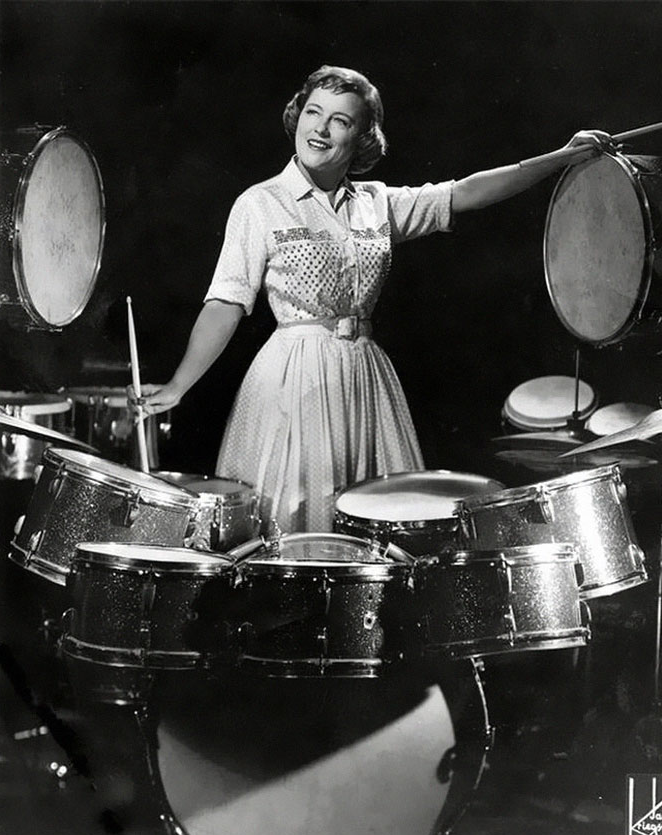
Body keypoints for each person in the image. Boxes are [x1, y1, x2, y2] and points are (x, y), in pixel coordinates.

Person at [134, 65, 614, 534]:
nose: (319, 129)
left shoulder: (377, 203)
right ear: (296, 116)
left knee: (377, 532)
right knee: (295, 527)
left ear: (361, 138)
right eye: (312, 112)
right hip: (293, 383)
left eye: (339, 120)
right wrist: (179, 385)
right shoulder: (260, 203)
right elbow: (226, 302)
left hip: (366, 380)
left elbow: (465, 192)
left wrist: (560, 157)